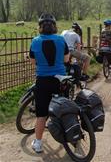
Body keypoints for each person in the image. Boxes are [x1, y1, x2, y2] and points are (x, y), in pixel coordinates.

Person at [29, 13, 70, 153]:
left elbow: (33, 62)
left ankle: (38, 144)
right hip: (60, 80)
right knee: (63, 109)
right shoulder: (61, 39)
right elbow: (66, 60)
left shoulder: (35, 41)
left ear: (40, 27)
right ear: (54, 27)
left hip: (43, 82)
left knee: (41, 115)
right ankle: (71, 135)